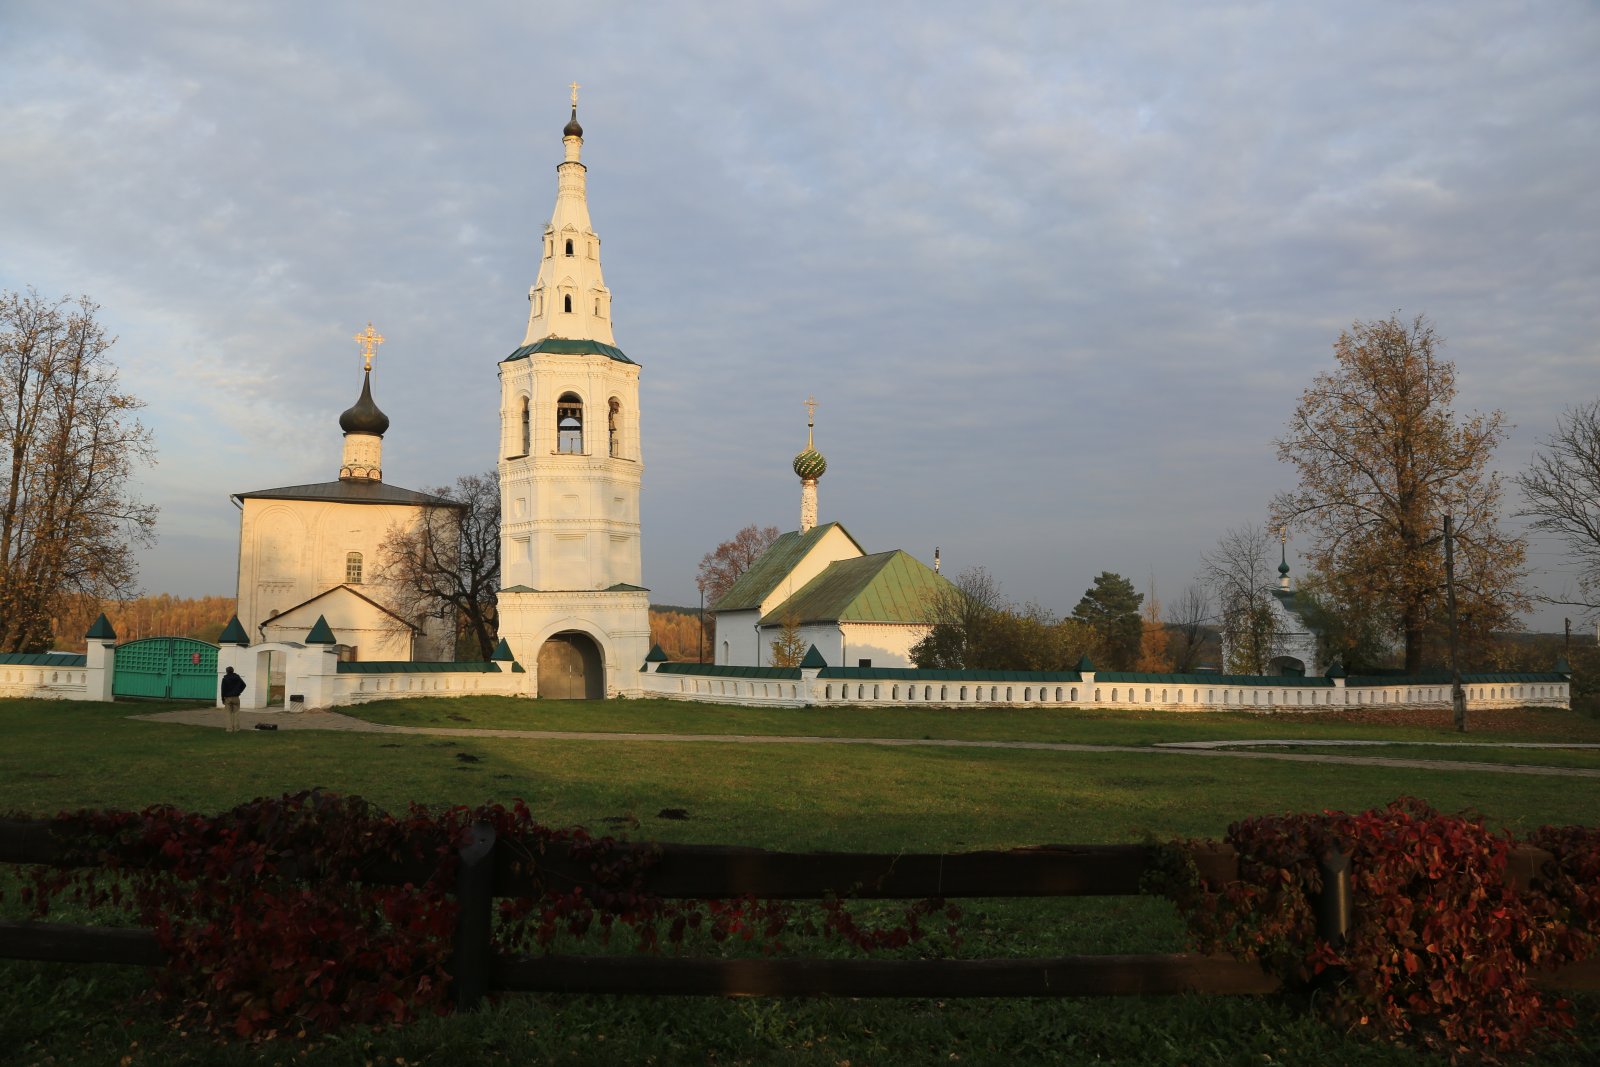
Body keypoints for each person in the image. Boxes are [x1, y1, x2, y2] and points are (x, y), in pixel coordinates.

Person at [220, 666, 246, 733]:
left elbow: (223, 690)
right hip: (236, 697)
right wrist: (238, 692)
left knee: (228, 714)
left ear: (227, 671)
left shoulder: (225, 679)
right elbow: (244, 685)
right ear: (233, 671)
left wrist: (223, 699)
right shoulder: (237, 678)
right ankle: (236, 728)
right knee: (236, 713)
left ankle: (229, 729)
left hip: (228, 698)